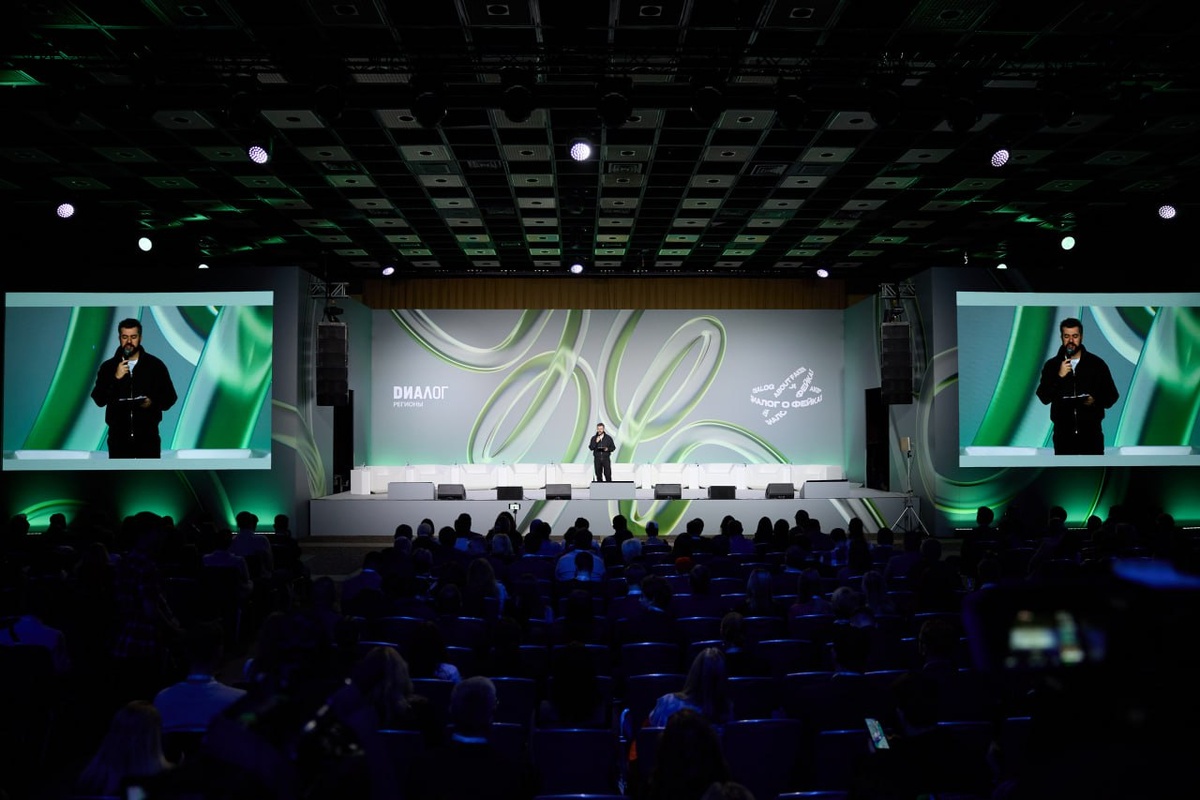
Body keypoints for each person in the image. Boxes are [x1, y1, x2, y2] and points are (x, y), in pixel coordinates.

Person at [90, 317, 178, 458]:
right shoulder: (108, 367)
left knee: (148, 473)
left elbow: (170, 398)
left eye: (133, 337)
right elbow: (99, 399)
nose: (129, 342)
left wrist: (152, 401)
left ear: (140, 338)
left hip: (149, 440)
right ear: (119, 338)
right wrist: (116, 378)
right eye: (125, 337)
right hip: (118, 442)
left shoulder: (155, 366)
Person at [1035, 316, 1119, 455]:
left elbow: (1112, 396)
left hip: (1092, 437)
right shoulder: (1052, 365)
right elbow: (1043, 397)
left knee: (1093, 469)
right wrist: (1059, 376)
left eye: (1075, 336)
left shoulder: (1096, 364)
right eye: (1066, 336)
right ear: (1061, 337)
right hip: (1063, 439)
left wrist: (1095, 399)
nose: (1071, 341)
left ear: (1081, 337)